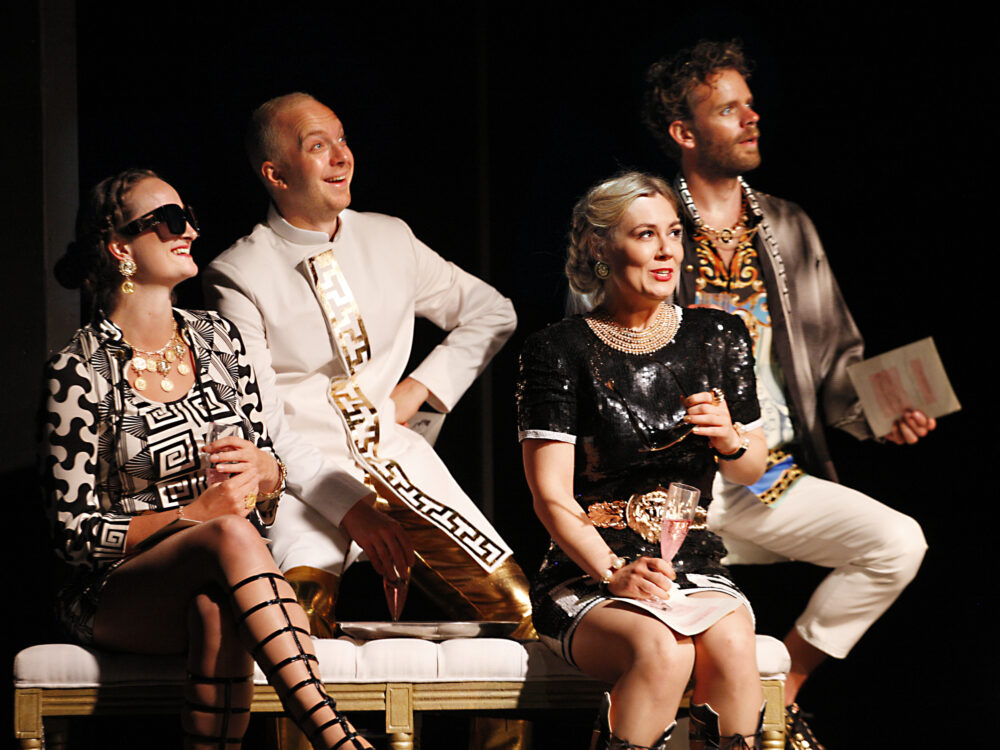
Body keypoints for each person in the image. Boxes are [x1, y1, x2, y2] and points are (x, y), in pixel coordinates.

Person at [203, 92, 532, 749]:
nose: (342, 154)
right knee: (295, 616)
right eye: (317, 144)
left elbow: (493, 311)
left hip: (396, 455)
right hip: (303, 478)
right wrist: (350, 507)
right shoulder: (236, 273)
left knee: (512, 606)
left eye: (343, 138)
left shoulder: (390, 238)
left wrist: (416, 393)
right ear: (276, 172)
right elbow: (266, 423)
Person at [641, 40, 932, 748]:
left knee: (897, 542)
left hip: (767, 474)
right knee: (673, 668)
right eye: (728, 108)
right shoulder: (643, 221)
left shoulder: (788, 226)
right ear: (685, 132)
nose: (752, 117)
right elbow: (599, 353)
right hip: (675, 488)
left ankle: (787, 687)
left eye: (750, 103)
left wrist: (878, 415)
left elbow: (835, 353)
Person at [42, 168, 372, 750]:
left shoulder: (221, 340)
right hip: (119, 591)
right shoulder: (78, 368)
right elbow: (74, 535)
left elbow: (265, 472)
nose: (188, 230)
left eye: (189, 216)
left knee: (217, 608)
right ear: (121, 246)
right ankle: (336, 736)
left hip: (228, 574)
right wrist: (191, 517)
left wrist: (265, 474)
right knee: (226, 536)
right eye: (168, 221)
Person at [518, 172, 770, 749]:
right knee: (662, 650)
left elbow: (752, 467)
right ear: (602, 250)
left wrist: (730, 440)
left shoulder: (719, 334)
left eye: (675, 234)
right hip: (589, 572)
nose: (666, 250)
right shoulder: (558, 349)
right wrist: (612, 572)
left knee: (731, 642)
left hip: (693, 563)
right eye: (645, 234)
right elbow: (550, 495)